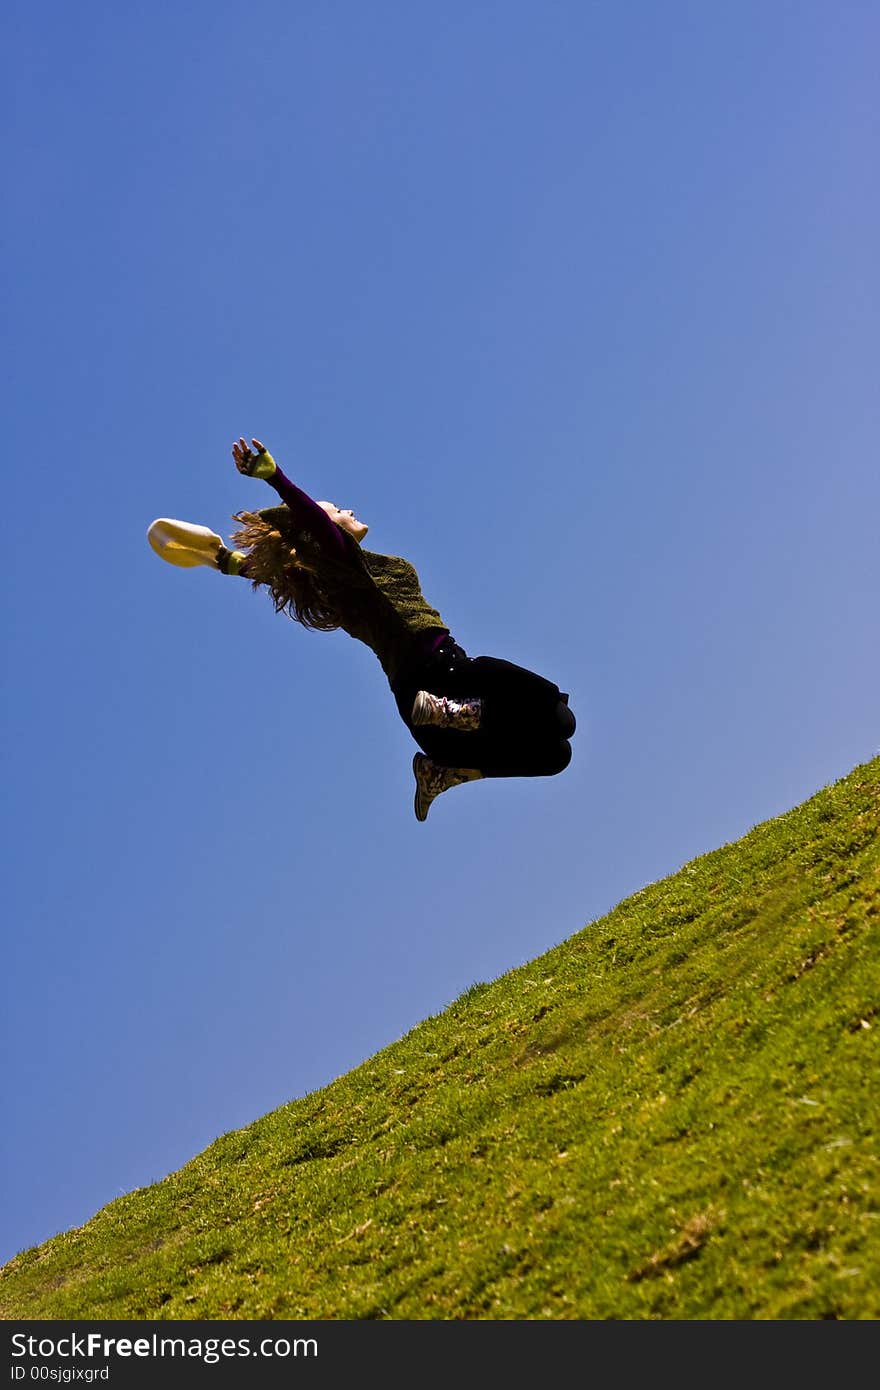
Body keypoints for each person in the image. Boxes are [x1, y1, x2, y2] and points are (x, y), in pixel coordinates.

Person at [148, 437, 576, 822]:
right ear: (329, 527)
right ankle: (462, 714)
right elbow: (317, 528)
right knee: (551, 706)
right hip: (443, 685)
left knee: (556, 752)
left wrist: (229, 563)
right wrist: (276, 478)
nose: (347, 510)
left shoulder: (336, 586)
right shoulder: (348, 569)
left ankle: (448, 772)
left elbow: (290, 569)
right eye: (338, 510)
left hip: (429, 721)